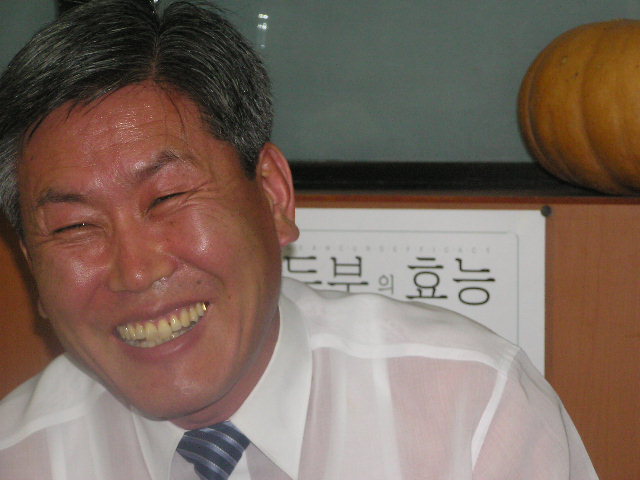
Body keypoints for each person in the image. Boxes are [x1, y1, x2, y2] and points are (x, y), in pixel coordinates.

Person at [0, 1, 598, 479]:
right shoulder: (18, 456)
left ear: (273, 196)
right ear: (32, 268)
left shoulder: (472, 409)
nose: (135, 270)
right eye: (75, 227)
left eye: (168, 198)